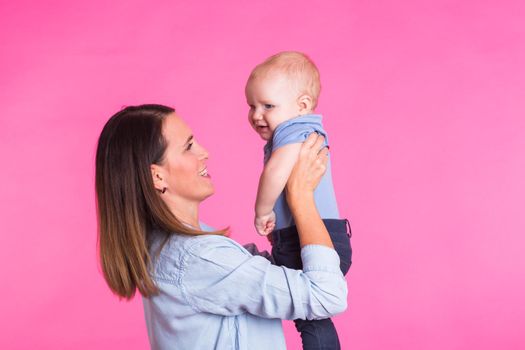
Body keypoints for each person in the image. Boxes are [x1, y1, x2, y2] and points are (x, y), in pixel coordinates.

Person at [95, 104, 348, 349]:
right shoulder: (197, 258)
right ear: (157, 176)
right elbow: (327, 296)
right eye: (189, 147)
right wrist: (301, 196)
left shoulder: (167, 245)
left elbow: (262, 278)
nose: (204, 152)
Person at [245, 51, 352, 349]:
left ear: (302, 105)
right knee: (309, 317)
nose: (256, 115)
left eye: (268, 105)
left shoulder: (299, 129)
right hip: (295, 240)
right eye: (251, 106)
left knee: (310, 314)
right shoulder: (289, 131)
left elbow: (277, 171)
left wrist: (261, 210)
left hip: (316, 240)